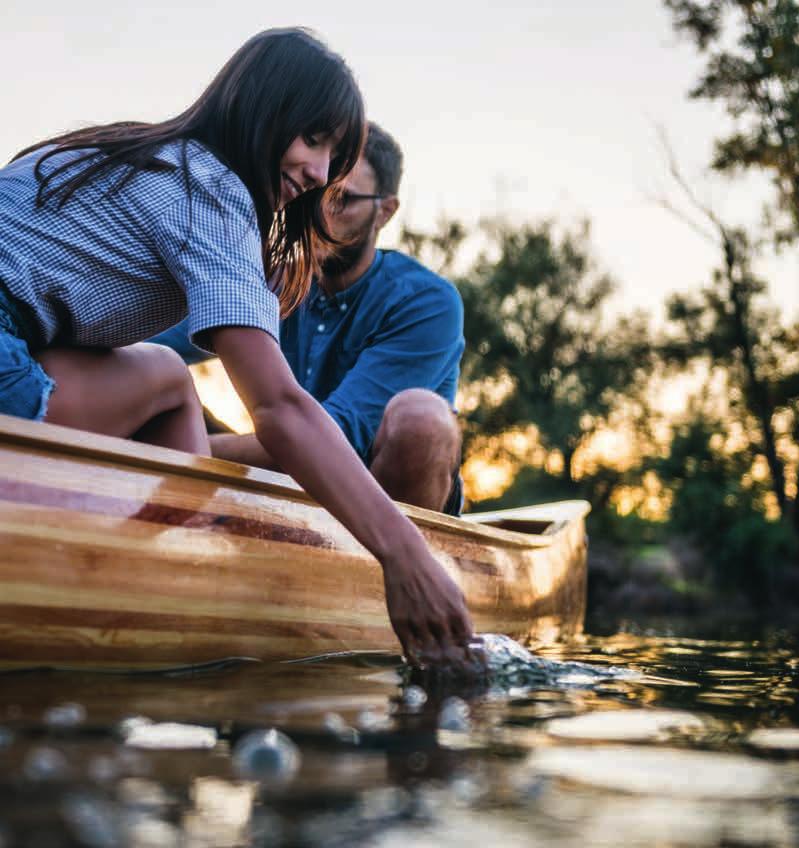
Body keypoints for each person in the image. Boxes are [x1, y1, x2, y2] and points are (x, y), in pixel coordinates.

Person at [0, 28, 473, 667]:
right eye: (313, 139)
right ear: (261, 106)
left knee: (165, 376)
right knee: (169, 378)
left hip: (18, 341)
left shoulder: (127, 153)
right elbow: (279, 407)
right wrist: (403, 552)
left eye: (335, 158)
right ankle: (185, 596)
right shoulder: (211, 194)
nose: (317, 174)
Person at [155, 122, 464, 514]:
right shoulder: (270, 279)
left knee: (422, 420)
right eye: (316, 196)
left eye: (342, 200)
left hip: (379, 487)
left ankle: (408, 564)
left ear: (384, 211)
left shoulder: (426, 301)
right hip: (291, 482)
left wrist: (178, 449)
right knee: (150, 372)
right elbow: (151, 340)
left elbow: (344, 436)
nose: (320, 215)